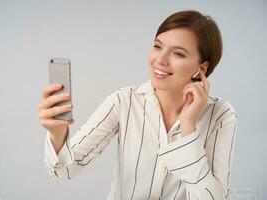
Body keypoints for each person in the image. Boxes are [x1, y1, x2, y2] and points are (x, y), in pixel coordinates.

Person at [38, 10, 238, 200]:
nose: (160, 60)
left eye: (178, 53)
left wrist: (188, 127)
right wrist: (57, 134)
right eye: (157, 46)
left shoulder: (221, 115)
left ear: (201, 68)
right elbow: (63, 172)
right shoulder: (123, 101)